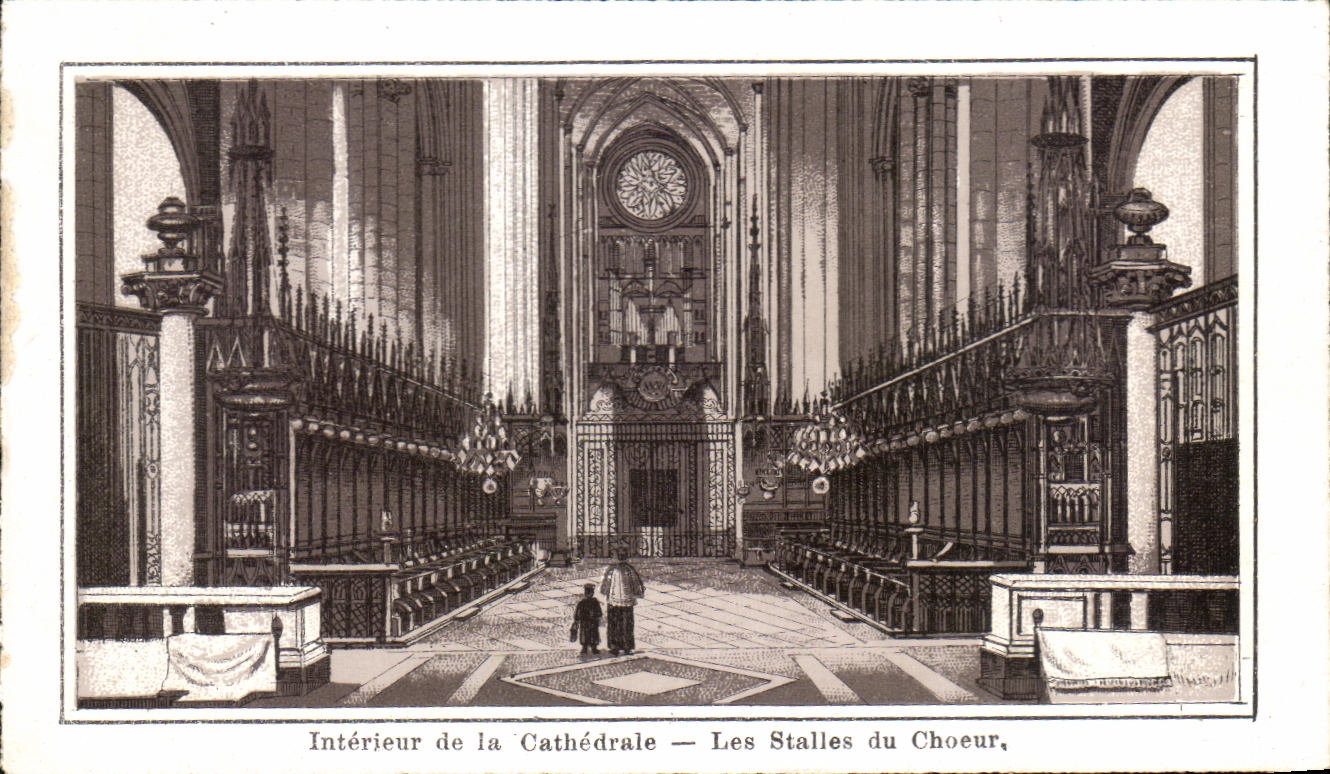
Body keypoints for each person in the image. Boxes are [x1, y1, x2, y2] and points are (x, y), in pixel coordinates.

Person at [600, 549, 645, 655]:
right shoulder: (629, 570)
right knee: (625, 624)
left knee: (616, 624)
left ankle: (616, 646)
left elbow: (604, 585)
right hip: (624, 601)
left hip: (616, 601)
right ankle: (625, 646)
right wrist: (639, 593)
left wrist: (604, 592)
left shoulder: (612, 570)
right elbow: (636, 585)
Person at [571, 583, 603, 656]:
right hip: (588, 623)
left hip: (589, 623)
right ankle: (587, 648)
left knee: (591, 635)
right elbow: (599, 613)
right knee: (588, 635)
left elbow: (599, 613)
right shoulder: (588, 602)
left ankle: (590, 648)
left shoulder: (588, 602)